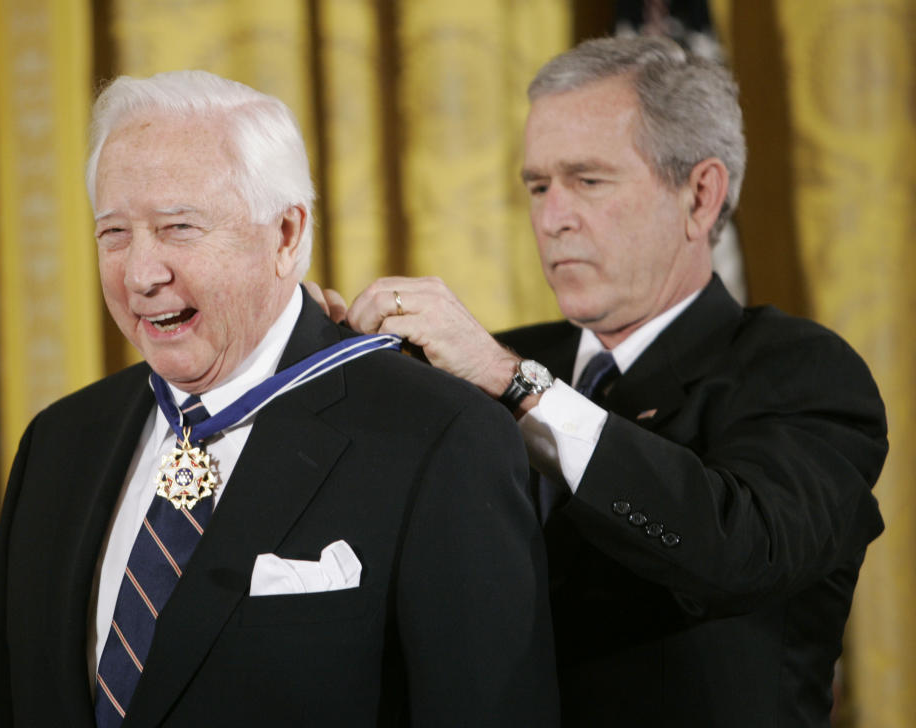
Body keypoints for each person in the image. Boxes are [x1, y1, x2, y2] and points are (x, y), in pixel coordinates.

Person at [0, 70, 559, 727]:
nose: (141, 274)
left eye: (178, 228)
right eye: (114, 234)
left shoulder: (438, 438)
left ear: (285, 235)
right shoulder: (58, 442)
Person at [341, 36, 888, 726]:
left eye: (588, 181)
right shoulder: (494, 363)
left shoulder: (798, 369)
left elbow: (736, 550)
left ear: (699, 194)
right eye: (538, 186)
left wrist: (515, 387)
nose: (552, 216)